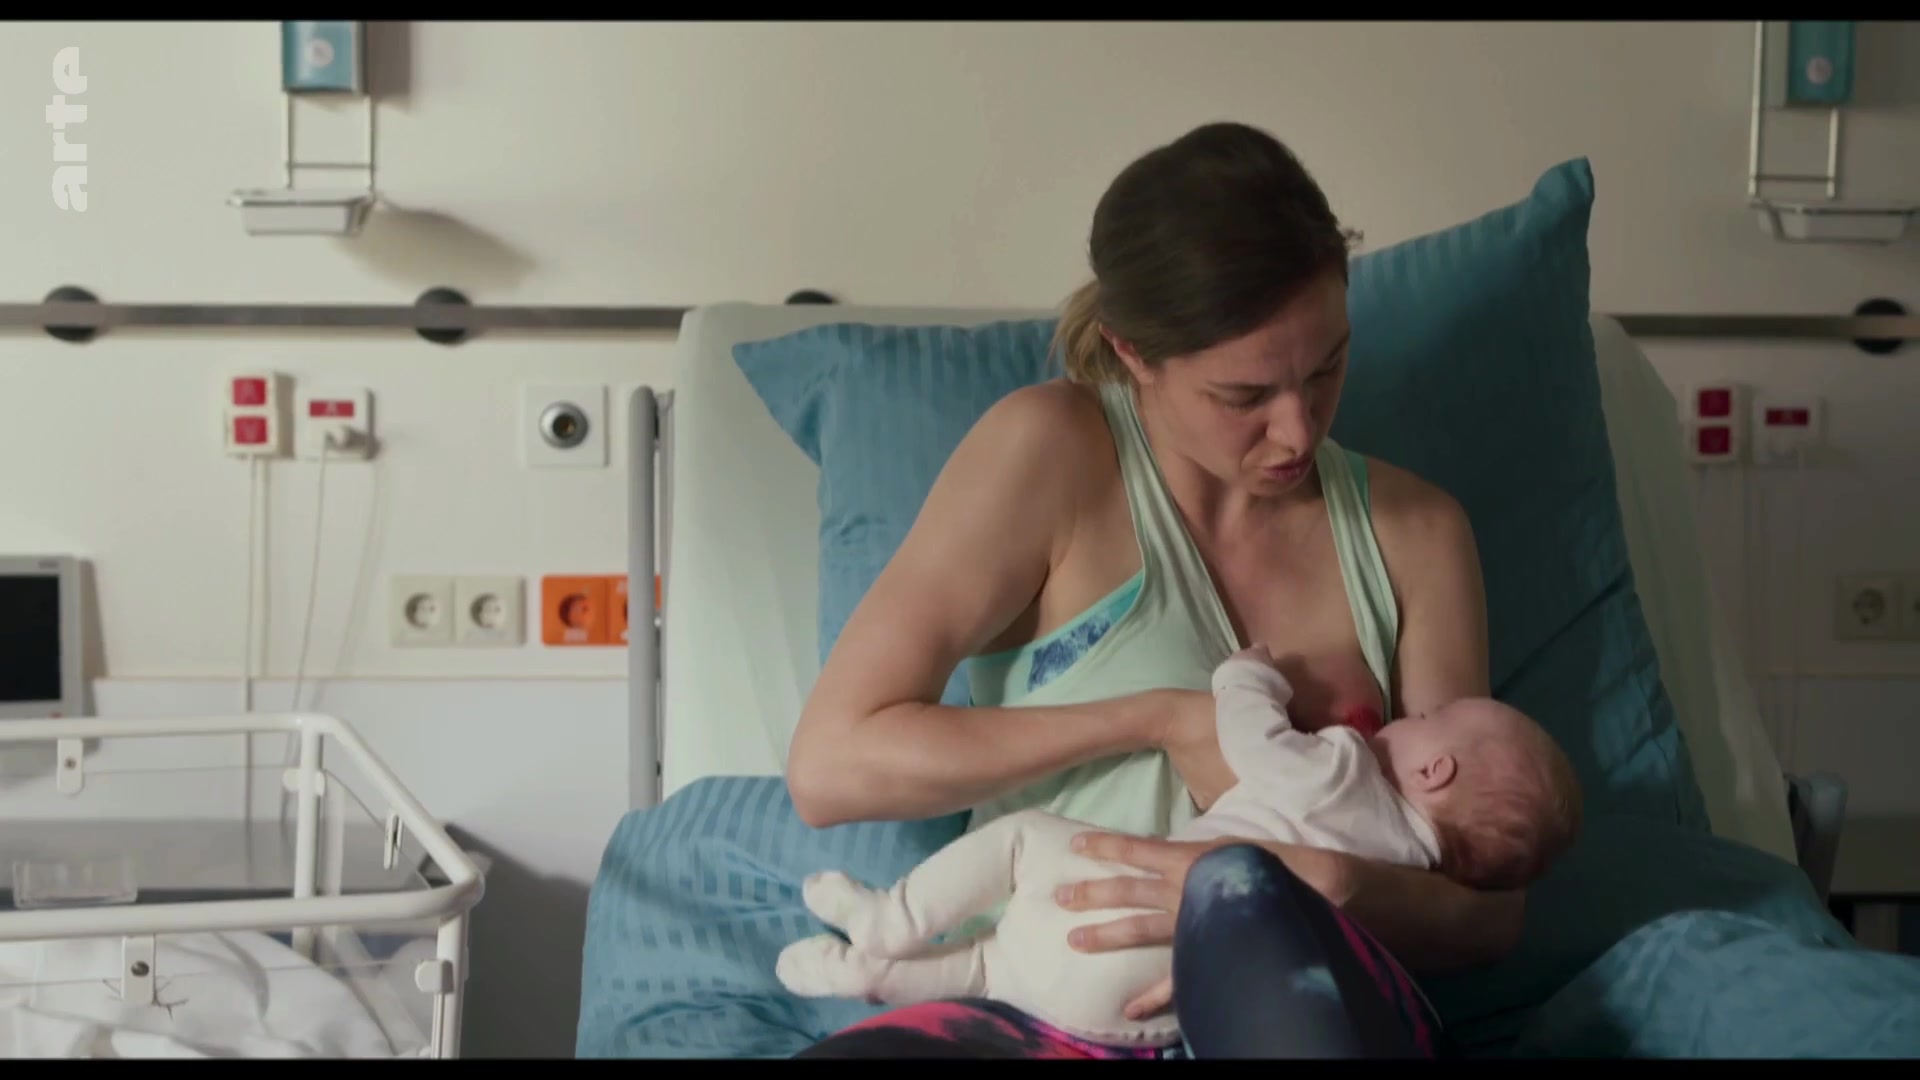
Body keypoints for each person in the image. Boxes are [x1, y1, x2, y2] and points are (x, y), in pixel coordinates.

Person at [783, 120, 1521, 1059]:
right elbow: (832, 766)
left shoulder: (1416, 534)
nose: (1299, 430)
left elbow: (1489, 912)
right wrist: (1160, 719)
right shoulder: (1050, 453)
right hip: (1036, 1004)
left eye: (1328, 366)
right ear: (1133, 353)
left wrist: (1319, 886)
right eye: (1244, 396)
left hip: (1300, 1000)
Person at [776, 645, 1582, 1049]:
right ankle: (874, 975)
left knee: (1020, 845)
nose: (1408, 719)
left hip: (1116, 904)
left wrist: (1246, 679)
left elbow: (1257, 743)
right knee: (992, 972)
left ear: (1435, 768)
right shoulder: (1408, 887)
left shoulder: (1344, 771)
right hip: (1147, 1014)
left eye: (1428, 720)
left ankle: (889, 924)